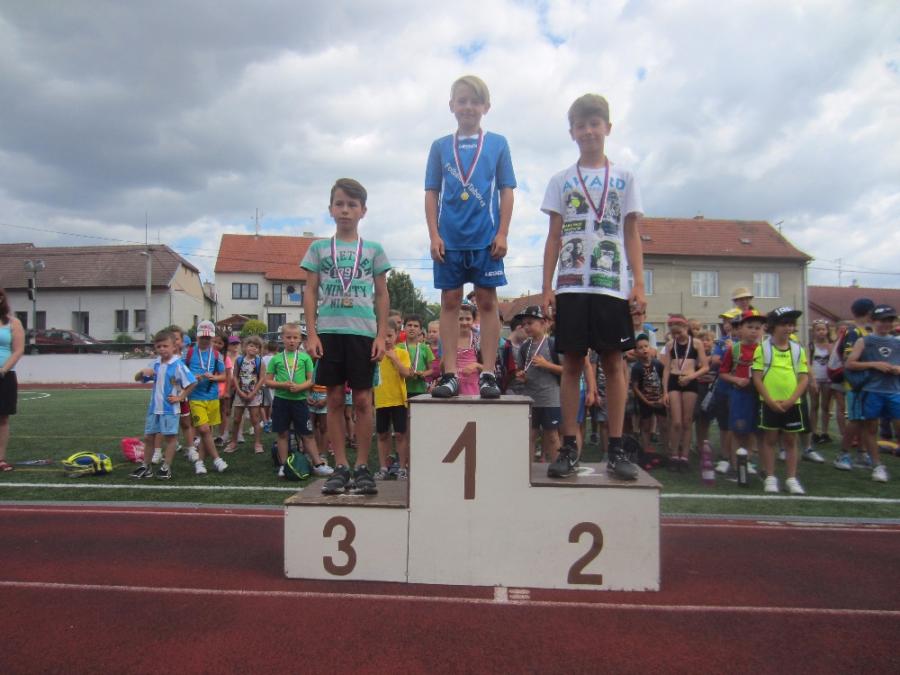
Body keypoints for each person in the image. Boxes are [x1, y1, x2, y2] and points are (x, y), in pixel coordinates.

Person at [540, 93, 645, 480]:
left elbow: (631, 233)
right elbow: (553, 236)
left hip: (611, 286)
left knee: (614, 363)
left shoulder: (625, 178)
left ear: (608, 128)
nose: (588, 131)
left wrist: (638, 283)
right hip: (570, 285)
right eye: (581, 125)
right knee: (571, 363)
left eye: (594, 123)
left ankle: (616, 447)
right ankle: (569, 447)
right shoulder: (561, 180)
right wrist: (546, 287)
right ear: (572, 132)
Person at [426, 74, 516, 399]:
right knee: (450, 301)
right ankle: (449, 373)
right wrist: (434, 235)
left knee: (488, 301)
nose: (468, 107)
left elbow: (506, 190)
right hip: (449, 240)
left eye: (474, 101)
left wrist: (502, 232)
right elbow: (431, 193)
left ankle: (488, 373)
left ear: (486, 107)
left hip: (485, 238)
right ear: (452, 105)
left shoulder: (497, 143)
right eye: (462, 101)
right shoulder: (440, 147)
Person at [302, 178, 391, 495]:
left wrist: (381, 335)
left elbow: (382, 294)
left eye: (352, 205)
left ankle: (363, 466)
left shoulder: (374, 250)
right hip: (329, 332)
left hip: (362, 334)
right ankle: (340, 466)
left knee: (364, 400)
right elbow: (310, 291)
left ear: (363, 211)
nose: (345, 210)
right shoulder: (318, 249)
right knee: (335, 399)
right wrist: (311, 333)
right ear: (330, 209)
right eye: (339, 204)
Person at [752, 307, 809, 495]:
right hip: (769, 403)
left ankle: (791, 478)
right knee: (770, 439)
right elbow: (757, 378)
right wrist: (769, 401)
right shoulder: (762, 348)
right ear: (773, 326)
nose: (788, 328)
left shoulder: (798, 350)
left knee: (791, 441)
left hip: (792, 404)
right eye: (784, 324)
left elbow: (804, 378)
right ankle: (770, 477)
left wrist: (791, 400)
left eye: (791, 324)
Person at [266, 323, 332, 478]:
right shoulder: (276, 359)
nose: (291, 340)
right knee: (282, 433)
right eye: (288, 337)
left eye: (295, 337)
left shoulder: (305, 358)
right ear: (282, 338)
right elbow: (267, 381)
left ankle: (318, 464)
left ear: (300, 340)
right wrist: (282, 385)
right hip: (281, 401)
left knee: (307, 433)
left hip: (300, 401)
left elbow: (312, 380)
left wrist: (300, 387)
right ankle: (284, 466)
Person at [130, 330, 197, 480]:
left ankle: (166, 467)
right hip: (154, 408)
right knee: (149, 437)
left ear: (174, 347)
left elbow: (192, 382)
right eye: (158, 346)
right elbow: (137, 378)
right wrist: (142, 372)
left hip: (170, 409)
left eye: (165, 346)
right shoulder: (155, 363)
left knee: (170, 438)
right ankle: (145, 466)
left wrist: (181, 397)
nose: (161, 349)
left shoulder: (178, 365)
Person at [845, 304, 899, 482]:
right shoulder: (864, 341)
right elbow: (850, 363)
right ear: (873, 321)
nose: (886, 324)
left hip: (894, 390)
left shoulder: (897, 341)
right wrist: (875, 364)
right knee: (871, 428)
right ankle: (877, 465)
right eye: (882, 320)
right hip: (872, 390)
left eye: (889, 320)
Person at [512, 305, 562, 464]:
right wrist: (522, 376)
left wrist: (547, 365)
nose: (526, 327)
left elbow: (567, 371)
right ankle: (527, 470)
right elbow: (522, 370)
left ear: (544, 323)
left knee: (552, 436)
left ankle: (557, 466)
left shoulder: (554, 344)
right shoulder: (524, 347)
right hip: (530, 398)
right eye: (524, 324)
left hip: (550, 398)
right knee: (530, 435)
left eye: (530, 323)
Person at [718, 309, 765, 477]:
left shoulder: (765, 350)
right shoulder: (734, 349)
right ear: (740, 328)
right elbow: (723, 373)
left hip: (759, 395)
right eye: (750, 327)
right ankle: (736, 464)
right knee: (738, 430)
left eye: (758, 328)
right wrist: (736, 380)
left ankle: (748, 461)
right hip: (740, 395)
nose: (754, 331)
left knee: (754, 431)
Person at [661, 314, 709, 470]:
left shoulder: (696, 343)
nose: (676, 336)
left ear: (685, 328)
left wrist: (691, 376)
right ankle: (674, 454)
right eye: (673, 333)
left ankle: (685, 456)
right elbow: (666, 369)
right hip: (674, 381)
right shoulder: (670, 345)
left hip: (690, 381)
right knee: (676, 422)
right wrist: (665, 391)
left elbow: (705, 367)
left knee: (687, 421)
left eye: (679, 332)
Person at [834, 298, 875, 471]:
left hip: (869, 383)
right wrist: (873, 364)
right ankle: (843, 454)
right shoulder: (853, 332)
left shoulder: (867, 331)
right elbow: (848, 359)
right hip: (856, 385)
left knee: (866, 421)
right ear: (869, 312)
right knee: (855, 420)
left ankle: (862, 453)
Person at [185, 321, 229, 475]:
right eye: (202, 337)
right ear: (197, 337)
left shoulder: (216, 355)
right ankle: (217, 459)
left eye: (208, 337)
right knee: (203, 429)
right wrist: (192, 377)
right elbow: (180, 373)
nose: (205, 340)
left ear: (212, 337)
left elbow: (224, 376)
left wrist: (214, 377)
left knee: (207, 432)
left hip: (212, 396)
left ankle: (200, 462)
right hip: (195, 397)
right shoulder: (189, 353)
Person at [373, 325, 412, 479]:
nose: (387, 340)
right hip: (381, 400)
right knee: (382, 434)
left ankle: (402, 468)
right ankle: (383, 468)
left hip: (398, 400)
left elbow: (406, 373)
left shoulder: (402, 353)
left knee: (401, 434)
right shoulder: (375, 354)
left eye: (390, 336)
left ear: (396, 335)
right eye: (383, 336)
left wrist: (394, 358)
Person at [226, 335, 265, 454]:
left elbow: (261, 378)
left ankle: (257, 443)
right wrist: (239, 391)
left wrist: (253, 393)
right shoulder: (239, 360)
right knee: (236, 419)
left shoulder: (260, 361)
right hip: (240, 393)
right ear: (245, 347)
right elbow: (235, 376)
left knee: (255, 419)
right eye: (251, 345)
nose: (253, 348)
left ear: (259, 349)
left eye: (256, 347)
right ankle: (233, 442)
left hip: (254, 394)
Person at [0, 289, 25, 472]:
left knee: (2, 418)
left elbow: (18, 350)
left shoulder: (13, 323)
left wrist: (3, 370)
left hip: (5, 376)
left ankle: (0, 459)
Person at [631, 334, 666, 457]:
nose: (644, 349)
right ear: (636, 351)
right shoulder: (636, 368)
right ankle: (646, 449)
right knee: (645, 426)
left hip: (660, 400)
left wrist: (663, 396)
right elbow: (635, 387)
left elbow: (664, 381)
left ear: (650, 347)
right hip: (645, 402)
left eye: (646, 346)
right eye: (640, 347)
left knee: (664, 425)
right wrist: (646, 401)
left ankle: (667, 449)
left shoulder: (658, 364)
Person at [808, 319, 834, 445]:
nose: (821, 332)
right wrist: (812, 379)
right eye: (818, 330)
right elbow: (807, 363)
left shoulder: (831, 345)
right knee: (814, 405)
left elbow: (835, 361)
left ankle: (825, 432)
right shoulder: (811, 346)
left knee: (826, 406)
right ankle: (814, 432)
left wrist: (830, 348)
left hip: (828, 379)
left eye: (823, 329)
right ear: (813, 332)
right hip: (815, 379)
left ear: (827, 331)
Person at [402, 314, 435, 401]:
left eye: (416, 326)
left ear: (420, 330)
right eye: (409, 325)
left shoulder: (425, 348)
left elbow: (431, 369)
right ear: (404, 328)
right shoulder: (398, 347)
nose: (412, 328)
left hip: (420, 389)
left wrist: (423, 373)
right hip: (401, 389)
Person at [456, 303, 484, 395]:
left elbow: (490, 369)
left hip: (473, 388)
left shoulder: (478, 340)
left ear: (473, 320)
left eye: (468, 319)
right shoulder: (449, 340)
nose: (464, 322)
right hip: (453, 387)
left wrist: (476, 365)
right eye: (460, 319)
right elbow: (441, 368)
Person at [260, 340, 279, 432]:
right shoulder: (276, 358)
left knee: (265, 404)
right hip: (272, 383)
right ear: (277, 349)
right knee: (273, 403)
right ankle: (270, 420)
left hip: (264, 383)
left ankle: (266, 421)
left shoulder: (263, 359)